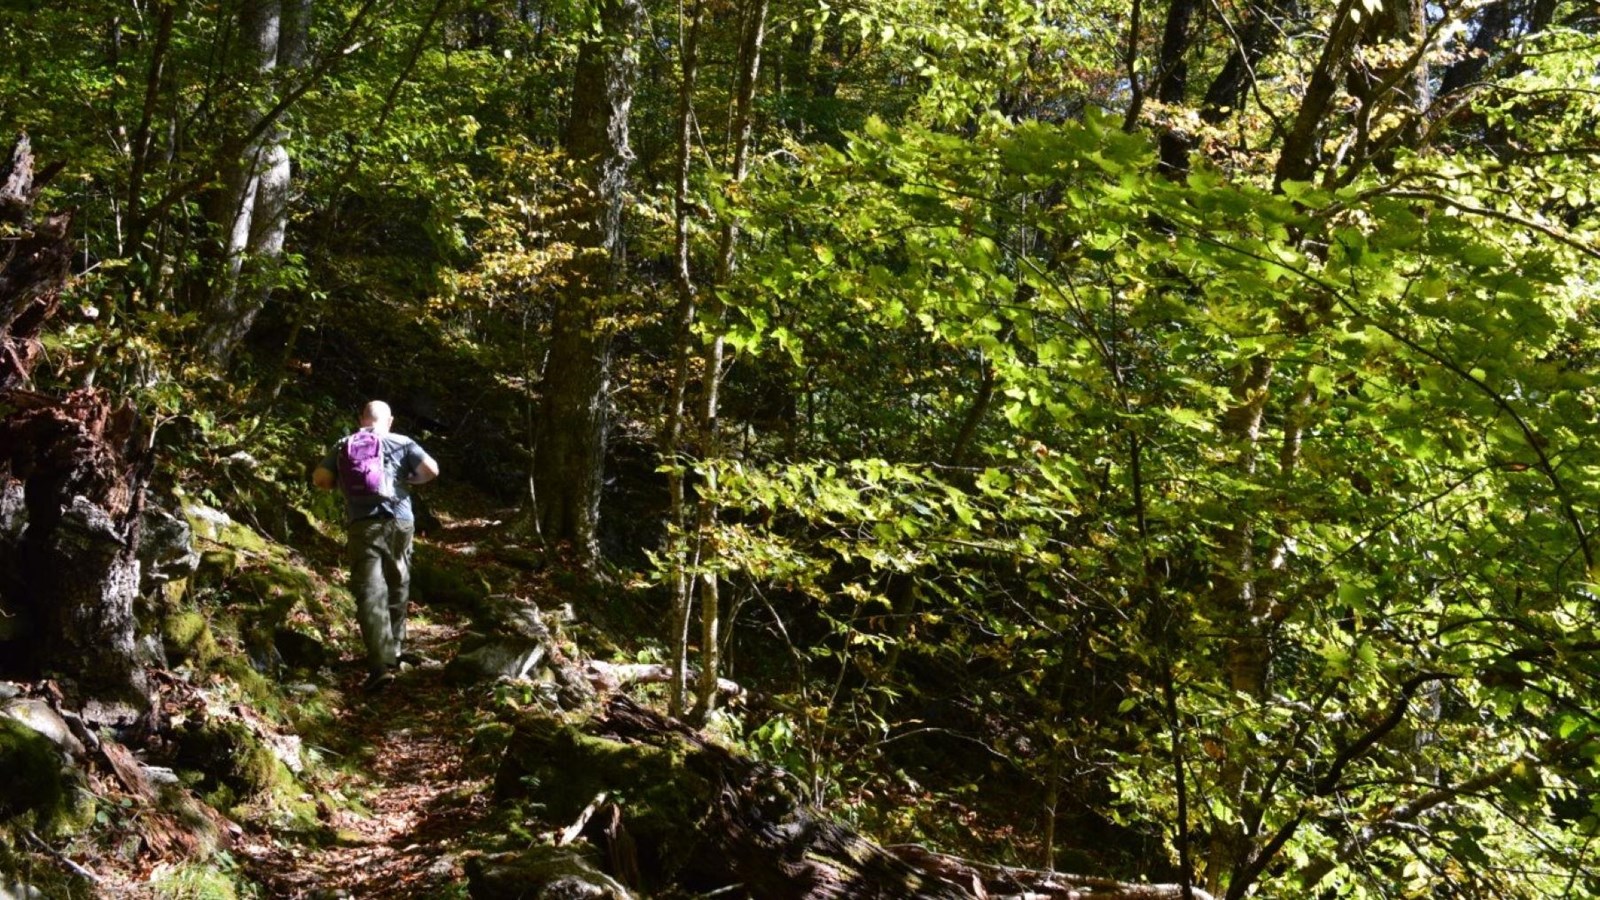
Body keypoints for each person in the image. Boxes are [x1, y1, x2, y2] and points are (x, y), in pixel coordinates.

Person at [313, 401, 440, 691]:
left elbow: (321, 478)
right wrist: (410, 479)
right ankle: (394, 649)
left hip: (364, 524)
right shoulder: (402, 442)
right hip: (400, 522)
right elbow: (432, 469)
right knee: (398, 580)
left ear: (362, 419)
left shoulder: (345, 442)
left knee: (370, 591)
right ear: (389, 421)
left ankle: (380, 665)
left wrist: (342, 485)